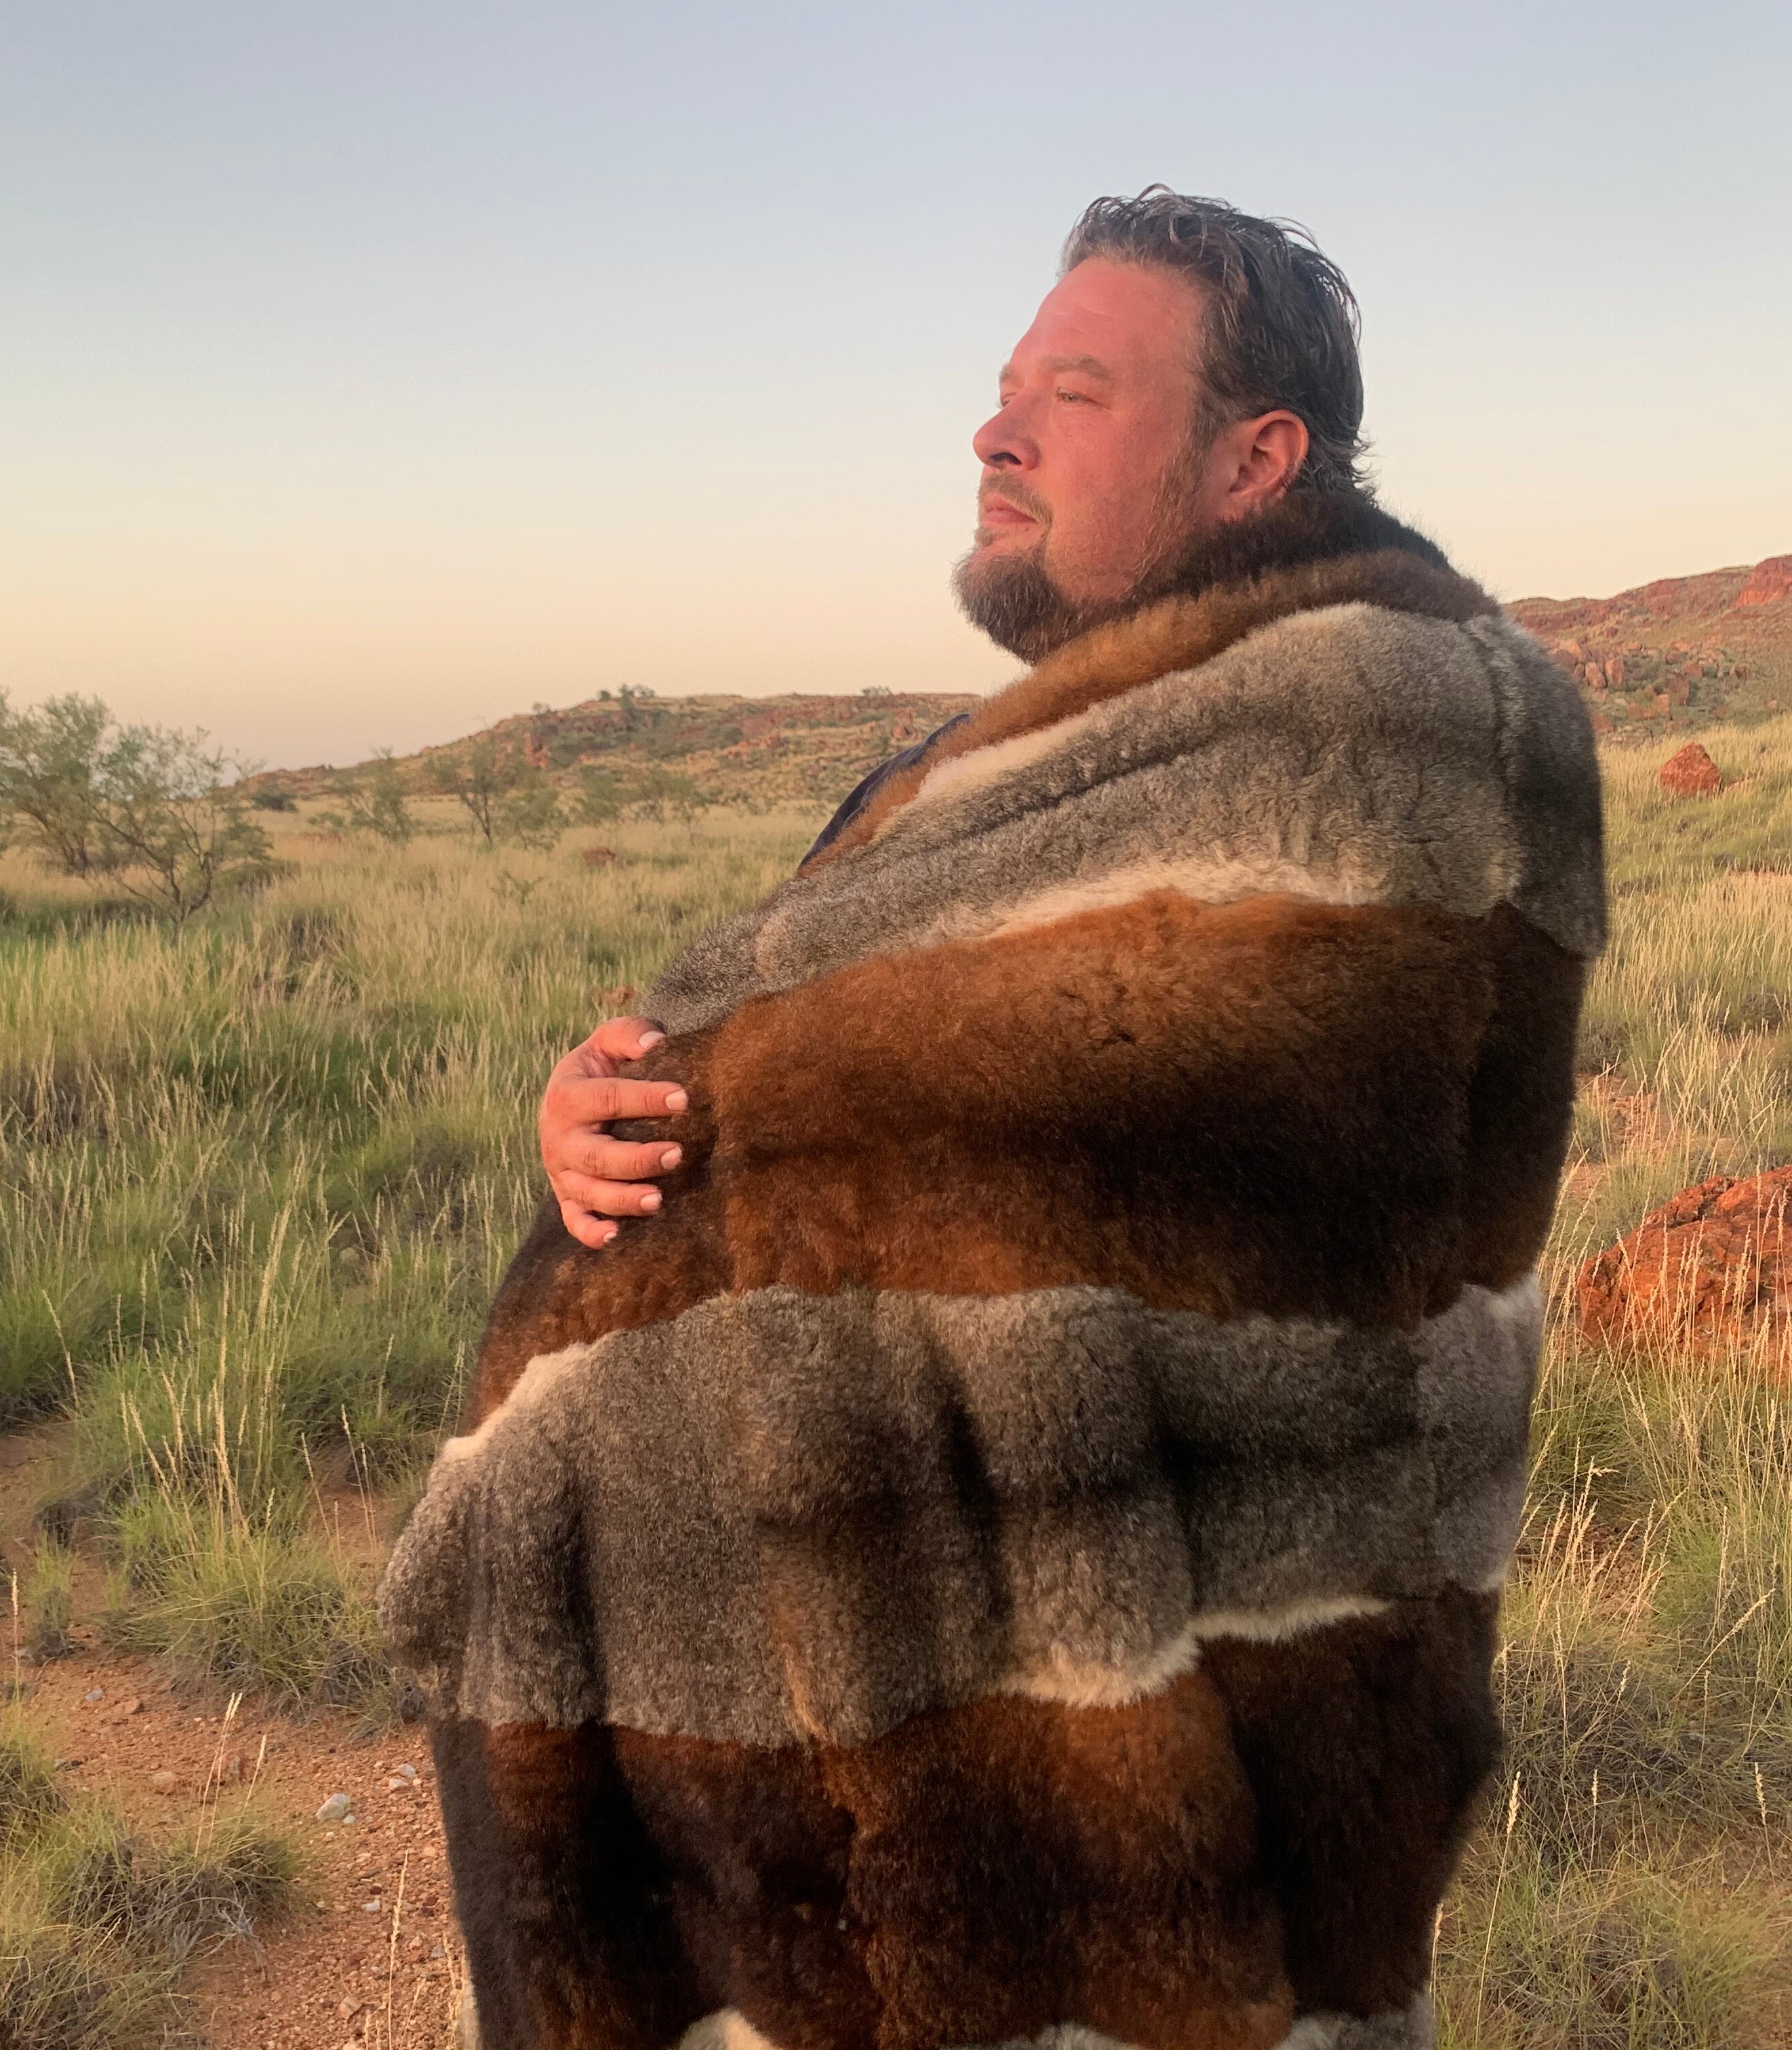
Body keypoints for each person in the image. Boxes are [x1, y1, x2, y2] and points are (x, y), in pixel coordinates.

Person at [382, 188, 1606, 2050]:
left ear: (1254, 457)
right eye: (1005, 384)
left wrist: (757, 1103)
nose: (996, 428)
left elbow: (1136, 1116)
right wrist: (610, 1115)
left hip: (1192, 1782)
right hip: (903, 1780)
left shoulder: (1414, 718)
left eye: (1082, 391)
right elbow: (817, 1060)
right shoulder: (966, 779)